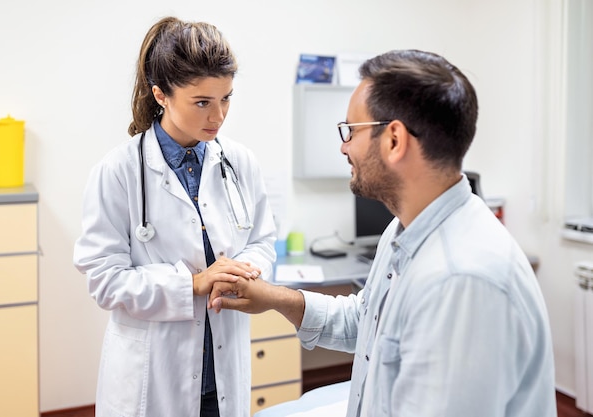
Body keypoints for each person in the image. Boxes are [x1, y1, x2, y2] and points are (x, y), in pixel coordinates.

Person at [210, 49, 557, 416]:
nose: (343, 147)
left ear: (394, 140)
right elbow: (366, 321)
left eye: (350, 131)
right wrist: (276, 299)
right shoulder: (405, 227)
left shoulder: (461, 280)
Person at [73, 16, 276, 417]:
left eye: (226, 98)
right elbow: (104, 278)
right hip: (153, 376)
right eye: (202, 102)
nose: (218, 116)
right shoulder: (119, 171)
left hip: (222, 371)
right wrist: (195, 284)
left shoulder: (239, 162)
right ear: (161, 94)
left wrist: (244, 272)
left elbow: (262, 240)